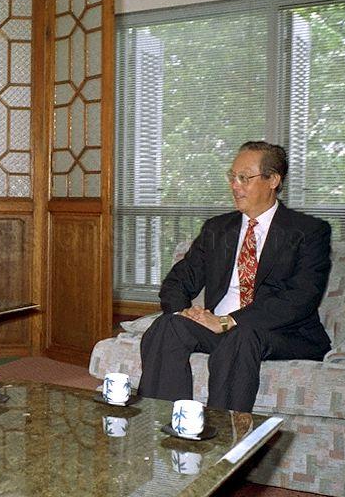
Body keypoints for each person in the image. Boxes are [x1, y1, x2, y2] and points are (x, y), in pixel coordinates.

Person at [137, 141, 332, 412]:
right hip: (218, 327)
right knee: (167, 326)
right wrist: (185, 313)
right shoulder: (217, 229)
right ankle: (163, 424)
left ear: (272, 180)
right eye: (232, 177)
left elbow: (300, 299)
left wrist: (229, 322)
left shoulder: (308, 232)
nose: (235, 185)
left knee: (241, 336)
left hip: (279, 332)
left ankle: (225, 442)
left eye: (244, 178)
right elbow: (178, 280)